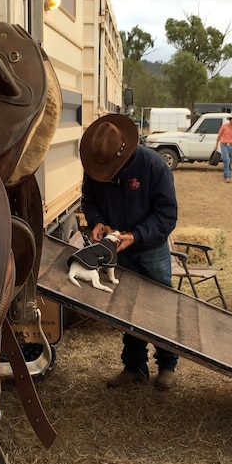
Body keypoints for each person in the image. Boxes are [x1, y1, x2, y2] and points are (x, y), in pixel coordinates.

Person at [80, 113, 180, 390]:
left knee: (160, 305)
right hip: (118, 249)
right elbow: (88, 199)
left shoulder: (154, 165)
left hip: (151, 248)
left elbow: (167, 215)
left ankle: (167, 364)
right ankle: (134, 366)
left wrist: (136, 236)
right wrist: (97, 221)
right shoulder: (96, 165)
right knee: (127, 308)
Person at [214, 111, 232, 183]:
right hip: (224, 144)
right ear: (230, 119)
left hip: (231, 145)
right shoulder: (224, 126)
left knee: (230, 161)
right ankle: (227, 176)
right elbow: (219, 135)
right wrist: (216, 144)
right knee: (226, 159)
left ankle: (228, 174)